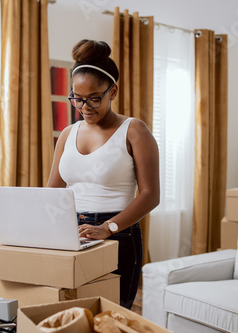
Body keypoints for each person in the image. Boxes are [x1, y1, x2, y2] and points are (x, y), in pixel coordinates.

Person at [47, 39, 160, 309]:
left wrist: (106, 229)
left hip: (118, 233)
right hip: (71, 230)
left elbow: (150, 195)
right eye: (77, 98)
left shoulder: (134, 130)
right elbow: (52, 191)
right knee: (72, 313)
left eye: (94, 98)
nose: (85, 107)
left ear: (114, 91)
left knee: (110, 315)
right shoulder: (67, 134)